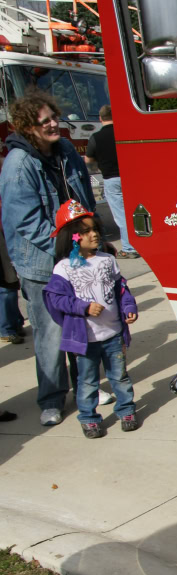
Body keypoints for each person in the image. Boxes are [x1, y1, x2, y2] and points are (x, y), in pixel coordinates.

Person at [0, 91, 96, 426]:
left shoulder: (67, 150)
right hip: (42, 265)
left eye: (54, 116)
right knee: (51, 334)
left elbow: (83, 196)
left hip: (74, 256)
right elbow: (25, 223)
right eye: (45, 121)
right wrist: (69, 247)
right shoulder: (17, 166)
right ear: (28, 128)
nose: (54, 123)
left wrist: (89, 233)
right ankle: (52, 399)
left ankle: (88, 389)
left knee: (81, 326)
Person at [43, 200, 139, 438]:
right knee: (87, 381)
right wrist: (83, 308)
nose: (94, 234)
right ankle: (88, 417)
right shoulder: (64, 268)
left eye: (95, 229)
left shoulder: (107, 260)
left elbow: (121, 288)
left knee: (120, 376)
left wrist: (128, 305)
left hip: (113, 334)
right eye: (86, 231)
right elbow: (55, 299)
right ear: (73, 237)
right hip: (85, 339)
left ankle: (126, 410)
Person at [84, 104, 138, 259]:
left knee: (121, 215)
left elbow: (88, 159)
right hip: (129, 178)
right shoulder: (124, 133)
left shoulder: (96, 137)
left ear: (100, 119)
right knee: (135, 212)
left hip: (110, 179)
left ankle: (128, 248)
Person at [0, 202, 26, 344]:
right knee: (6, 285)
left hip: (9, 232)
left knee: (12, 282)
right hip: (3, 235)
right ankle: (7, 328)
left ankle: (15, 322)